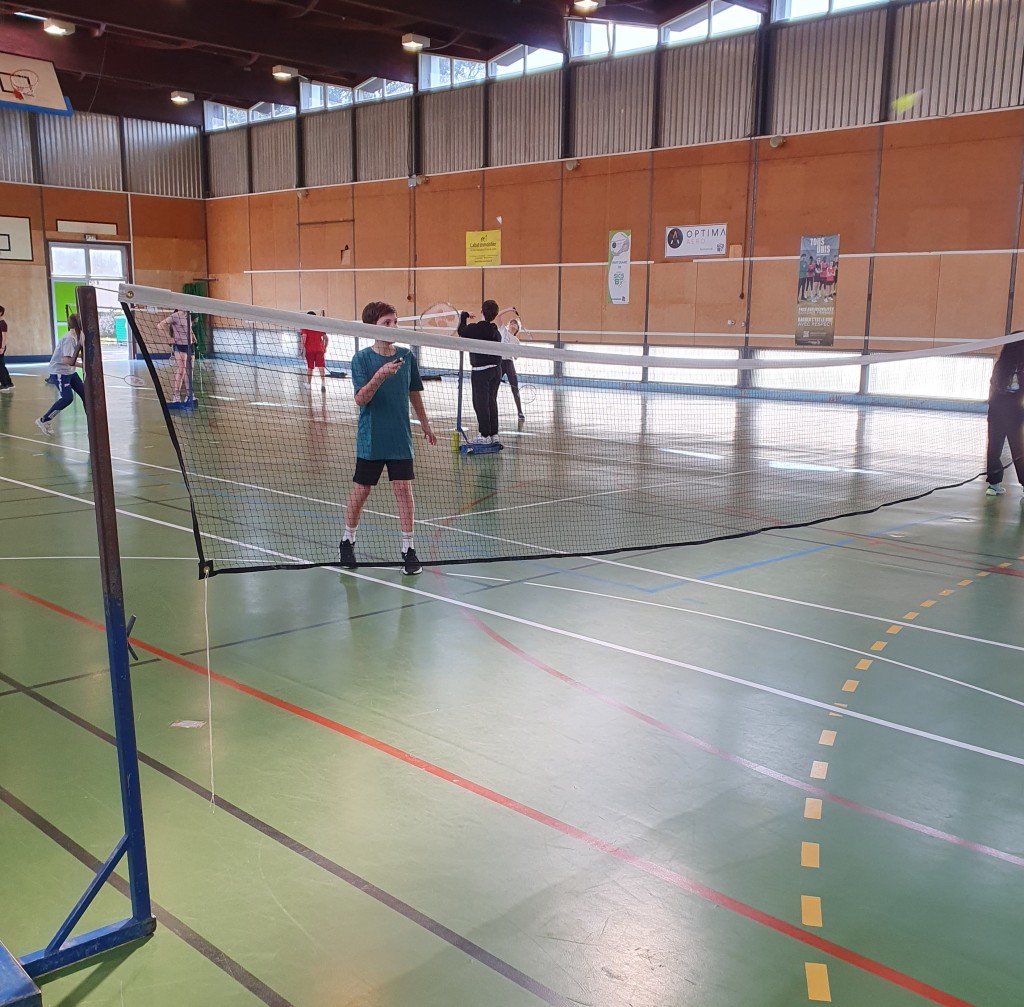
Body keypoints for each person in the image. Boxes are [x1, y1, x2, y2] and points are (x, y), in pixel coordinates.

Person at [339, 301, 437, 575]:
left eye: (395, 322)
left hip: (400, 438)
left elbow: (413, 392)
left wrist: (425, 423)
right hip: (371, 438)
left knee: (403, 490)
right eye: (387, 323)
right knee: (362, 490)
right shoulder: (361, 360)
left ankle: (408, 549)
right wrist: (380, 376)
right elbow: (361, 399)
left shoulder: (406, 357)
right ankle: (347, 540)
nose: (393, 327)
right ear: (373, 327)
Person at [458, 299, 503, 445]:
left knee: (480, 403)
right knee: (491, 402)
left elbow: (461, 331)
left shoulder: (475, 329)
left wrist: (464, 315)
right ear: (495, 315)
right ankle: (493, 434)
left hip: (481, 372)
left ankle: (484, 435)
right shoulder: (496, 332)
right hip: (496, 371)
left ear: (481, 311)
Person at [984, 338, 1024, 496]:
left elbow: (993, 385)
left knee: (994, 448)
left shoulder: (1000, 365)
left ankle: (993, 485)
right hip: (1016, 413)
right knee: (1020, 449)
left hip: (996, 412)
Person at [36, 314, 85, 434]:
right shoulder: (69, 338)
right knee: (67, 398)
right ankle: (44, 420)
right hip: (60, 372)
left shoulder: (77, 336)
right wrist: (84, 366)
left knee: (86, 395)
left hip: (70, 372)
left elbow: (72, 355)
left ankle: (92, 423)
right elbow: (67, 360)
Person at [157, 308, 194, 402]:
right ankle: (176, 396)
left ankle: (190, 395)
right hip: (180, 345)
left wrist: (193, 335)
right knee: (181, 370)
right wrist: (169, 338)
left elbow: (188, 328)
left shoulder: (188, 315)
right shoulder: (175, 315)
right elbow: (160, 325)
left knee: (189, 371)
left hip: (190, 345)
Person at [497, 309, 525, 421]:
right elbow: (498, 315)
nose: (513, 324)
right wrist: (510, 309)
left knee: (515, 387)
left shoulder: (516, 340)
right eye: (511, 322)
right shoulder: (503, 330)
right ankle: (490, 408)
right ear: (508, 325)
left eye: (515, 323)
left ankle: (520, 412)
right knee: (494, 386)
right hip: (499, 361)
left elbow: (516, 356)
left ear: (518, 328)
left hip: (509, 363)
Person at [300, 311, 329, 392]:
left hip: (310, 350)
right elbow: (326, 338)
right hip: (319, 349)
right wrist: (325, 348)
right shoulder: (318, 326)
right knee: (321, 366)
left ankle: (309, 384)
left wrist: (301, 349)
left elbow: (304, 337)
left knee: (310, 367)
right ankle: (323, 383)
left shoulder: (305, 326)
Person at [0, 305, 12, 391]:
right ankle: (9, 383)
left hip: (0, 347)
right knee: (2, 366)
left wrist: (2, 347)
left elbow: (4, 337)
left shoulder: (2, 324)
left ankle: (4, 385)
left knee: (0, 367)